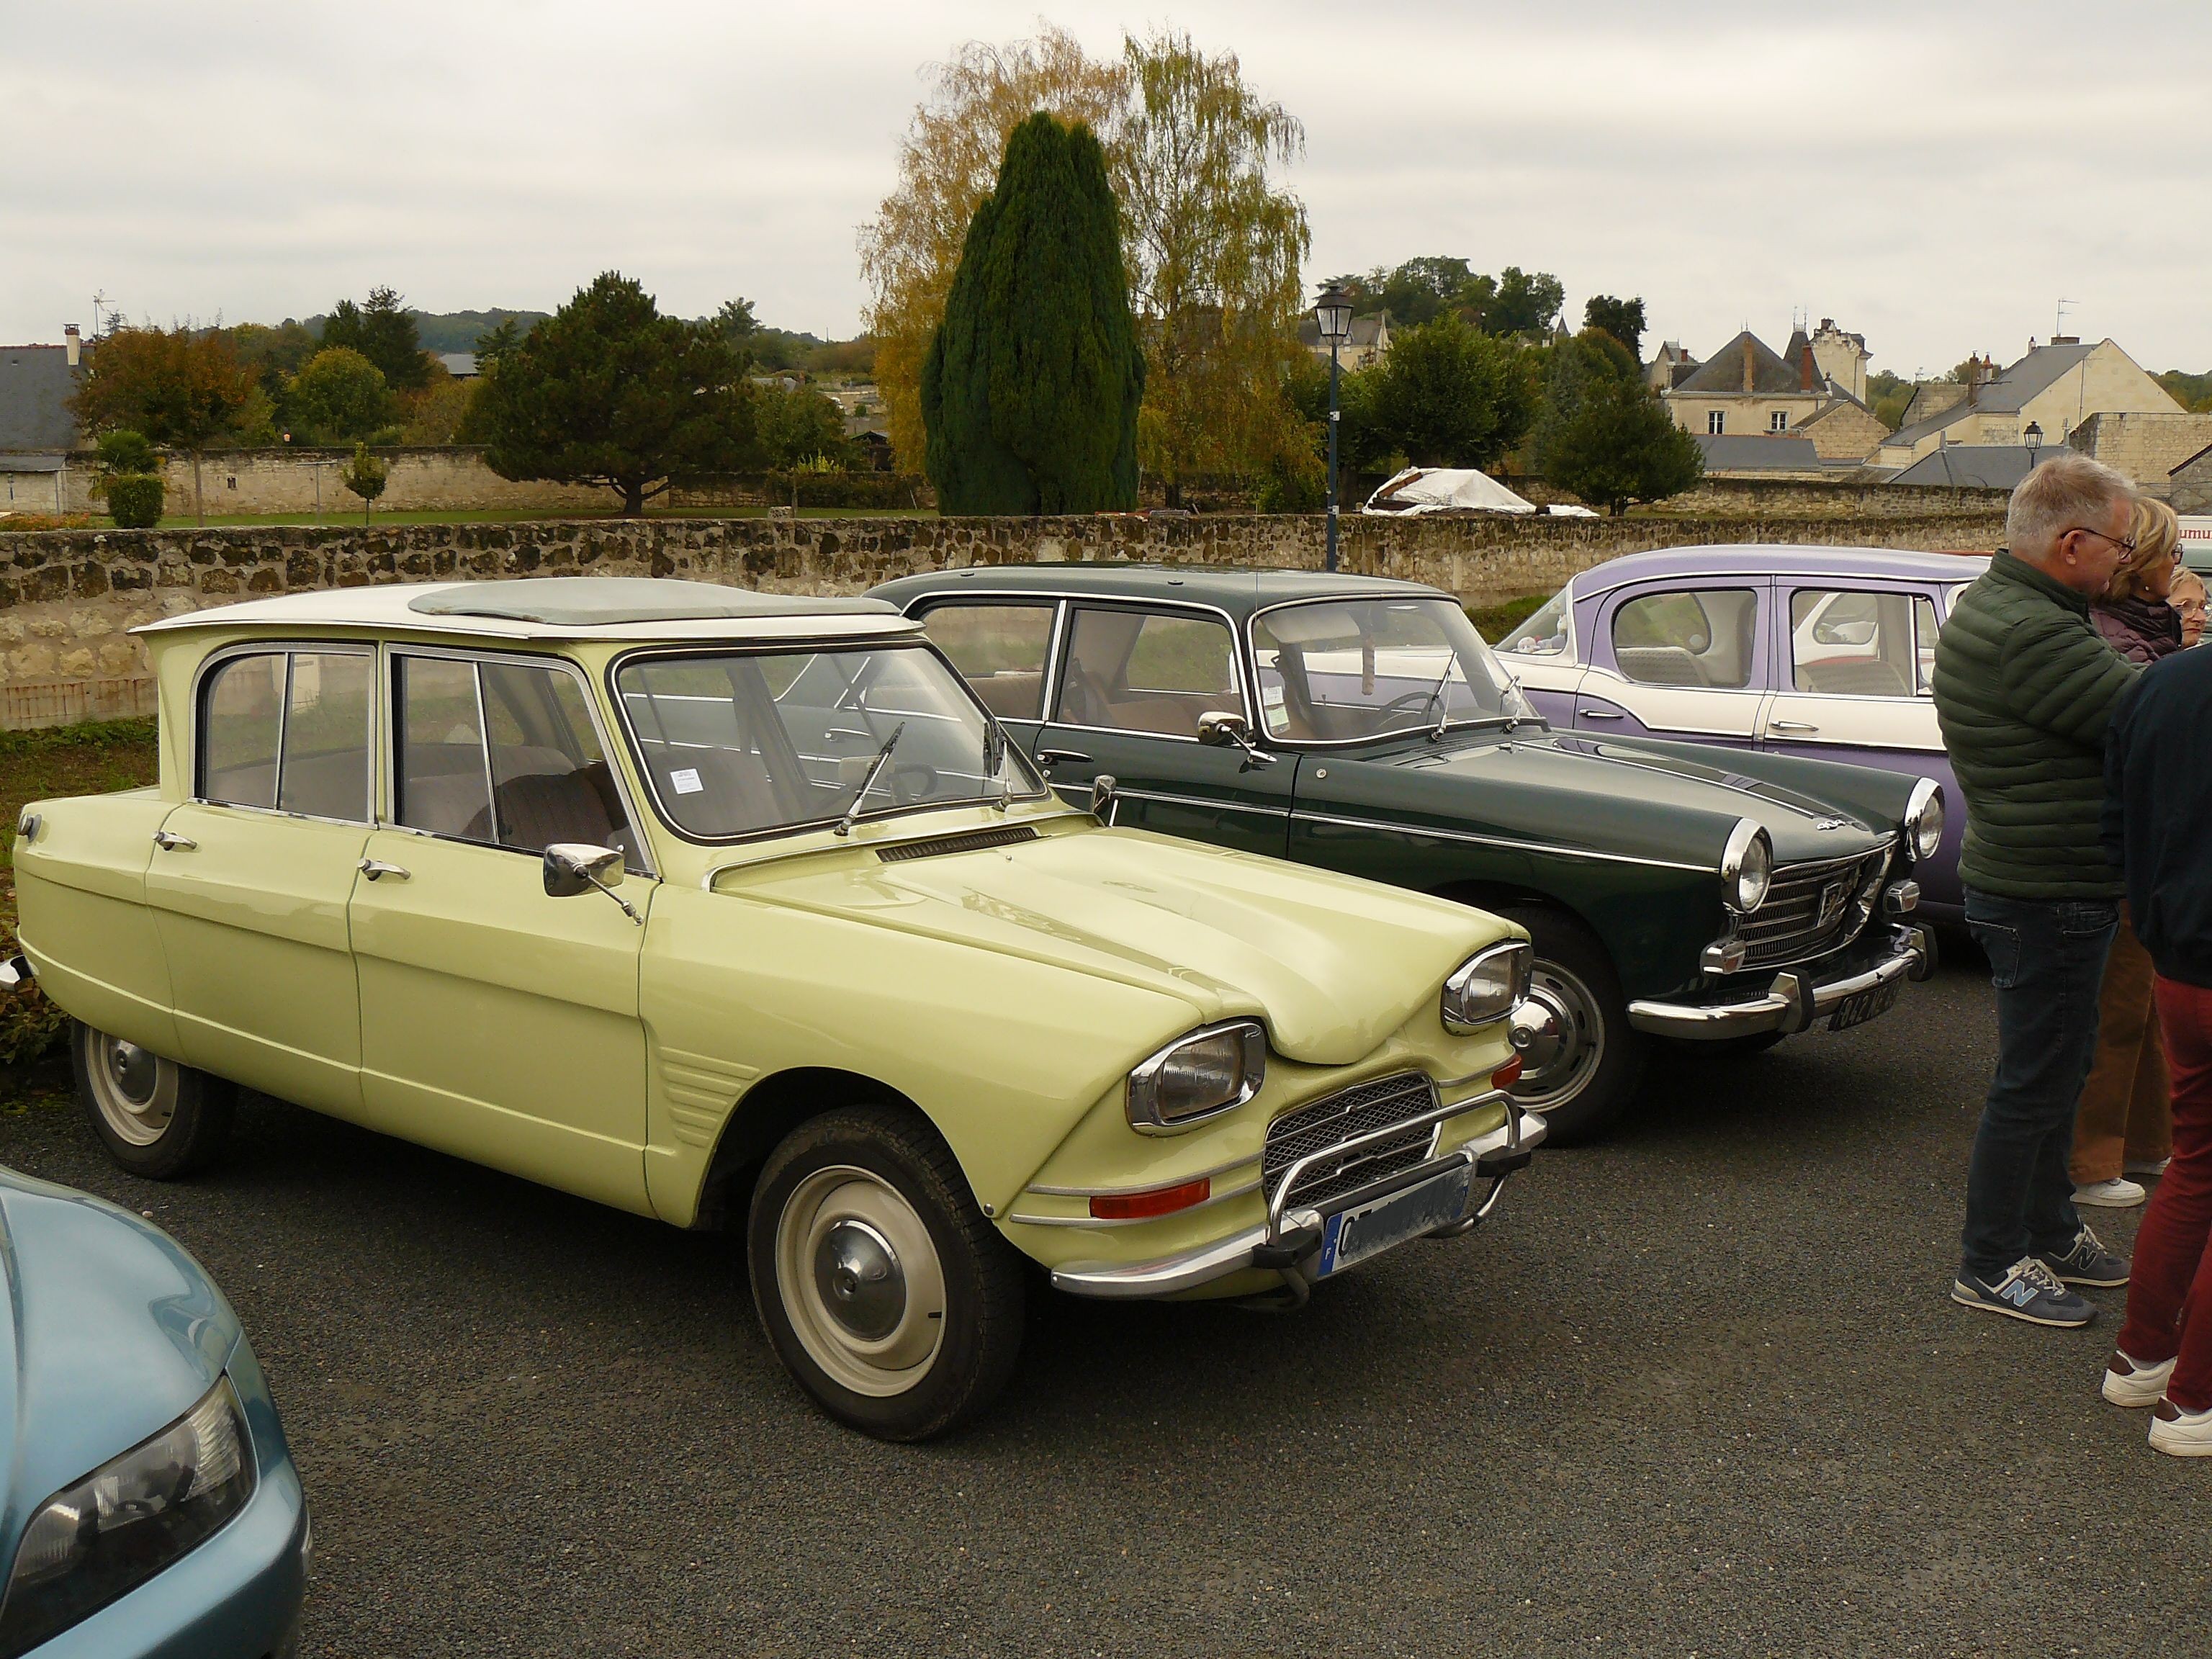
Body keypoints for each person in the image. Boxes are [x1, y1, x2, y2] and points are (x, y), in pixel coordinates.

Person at [1933, 454, 2141, 1326]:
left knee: (2061, 1070)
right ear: (2071, 544)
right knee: (2034, 1081)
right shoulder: (2038, 632)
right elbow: (2152, 718)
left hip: (2047, 879)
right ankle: (1989, 1261)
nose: (2125, 563)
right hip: (2046, 888)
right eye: (2121, 549)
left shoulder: (2012, 607)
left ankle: (2050, 1229)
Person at [2099, 629, 2212, 1453]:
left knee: (2195, 1165)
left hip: (2178, 962)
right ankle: (2194, 1404)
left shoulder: (2161, 685)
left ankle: (2141, 1357)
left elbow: (2117, 822)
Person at [2071, 500, 2184, 1209]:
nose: (2179, 568)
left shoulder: (2146, 633)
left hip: (2147, 853)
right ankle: (2088, 1164)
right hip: (2121, 856)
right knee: (2115, 1010)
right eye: (2170, 555)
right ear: (2141, 568)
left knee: (2143, 1011)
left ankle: (2144, 1143)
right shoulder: (2117, 642)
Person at [2169, 566, 2206, 647]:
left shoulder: (2203, 658)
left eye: (2202, 607)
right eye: (2185, 606)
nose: (2201, 618)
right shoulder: (2138, 655)